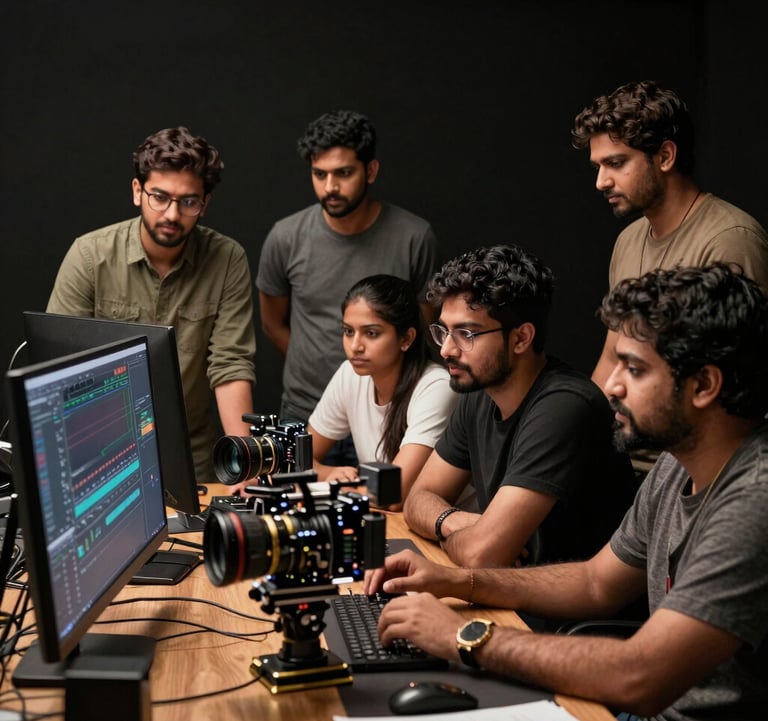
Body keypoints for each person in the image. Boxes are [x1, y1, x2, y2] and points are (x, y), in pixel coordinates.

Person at [365, 263, 768, 721]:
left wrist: (464, 637)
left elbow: (642, 676)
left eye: (634, 369)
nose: (612, 385)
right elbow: (596, 582)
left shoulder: (754, 498)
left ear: (704, 385)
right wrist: (456, 582)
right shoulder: (677, 467)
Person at [402, 245, 637, 570]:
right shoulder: (478, 392)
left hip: (564, 616)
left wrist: (477, 537)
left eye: (466, 333)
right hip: (507, 595)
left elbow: (481, 555)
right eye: (444, 331)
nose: (446, 350)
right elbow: (416, 500)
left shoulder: (565, 407)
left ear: (521, 338)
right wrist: (454, 522)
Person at [46, 126, 256, 485]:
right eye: (160, 196)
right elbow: (57, 370)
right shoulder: (89, 255)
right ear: (137, 191)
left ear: (204, 204)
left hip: (192, 456)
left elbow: (230, 364)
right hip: (100, 453)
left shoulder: (227, 258)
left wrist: (245, 463)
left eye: (188, 201)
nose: (172, 214)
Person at [256, 109, 438, 464]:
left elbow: (420, 329)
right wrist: (323, 371)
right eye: (319, 174)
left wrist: (374, 384)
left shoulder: (414, 237)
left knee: (385, 511)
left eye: (344, 173)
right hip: (304, 410)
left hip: (387, 414)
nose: (330, 187)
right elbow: (272, 323)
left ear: (370, 171)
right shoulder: (285, 237)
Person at [572, 79, 768, 390]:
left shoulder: (730, 239)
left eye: (616, 163)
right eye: (598, 166)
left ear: (665, 156)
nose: (601, 182)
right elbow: (613, 358)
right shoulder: (628, 241)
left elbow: (738, 378)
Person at [306, 274, 458, 508]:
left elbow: (393, 494)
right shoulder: (350, 373)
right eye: (348, 331)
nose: (355, 346)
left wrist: (334, 486)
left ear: (406, 338)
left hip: (443, 532)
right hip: (388, 520)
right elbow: (297, 462)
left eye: (371, 333)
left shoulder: (436, 387)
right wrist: (328, 474)